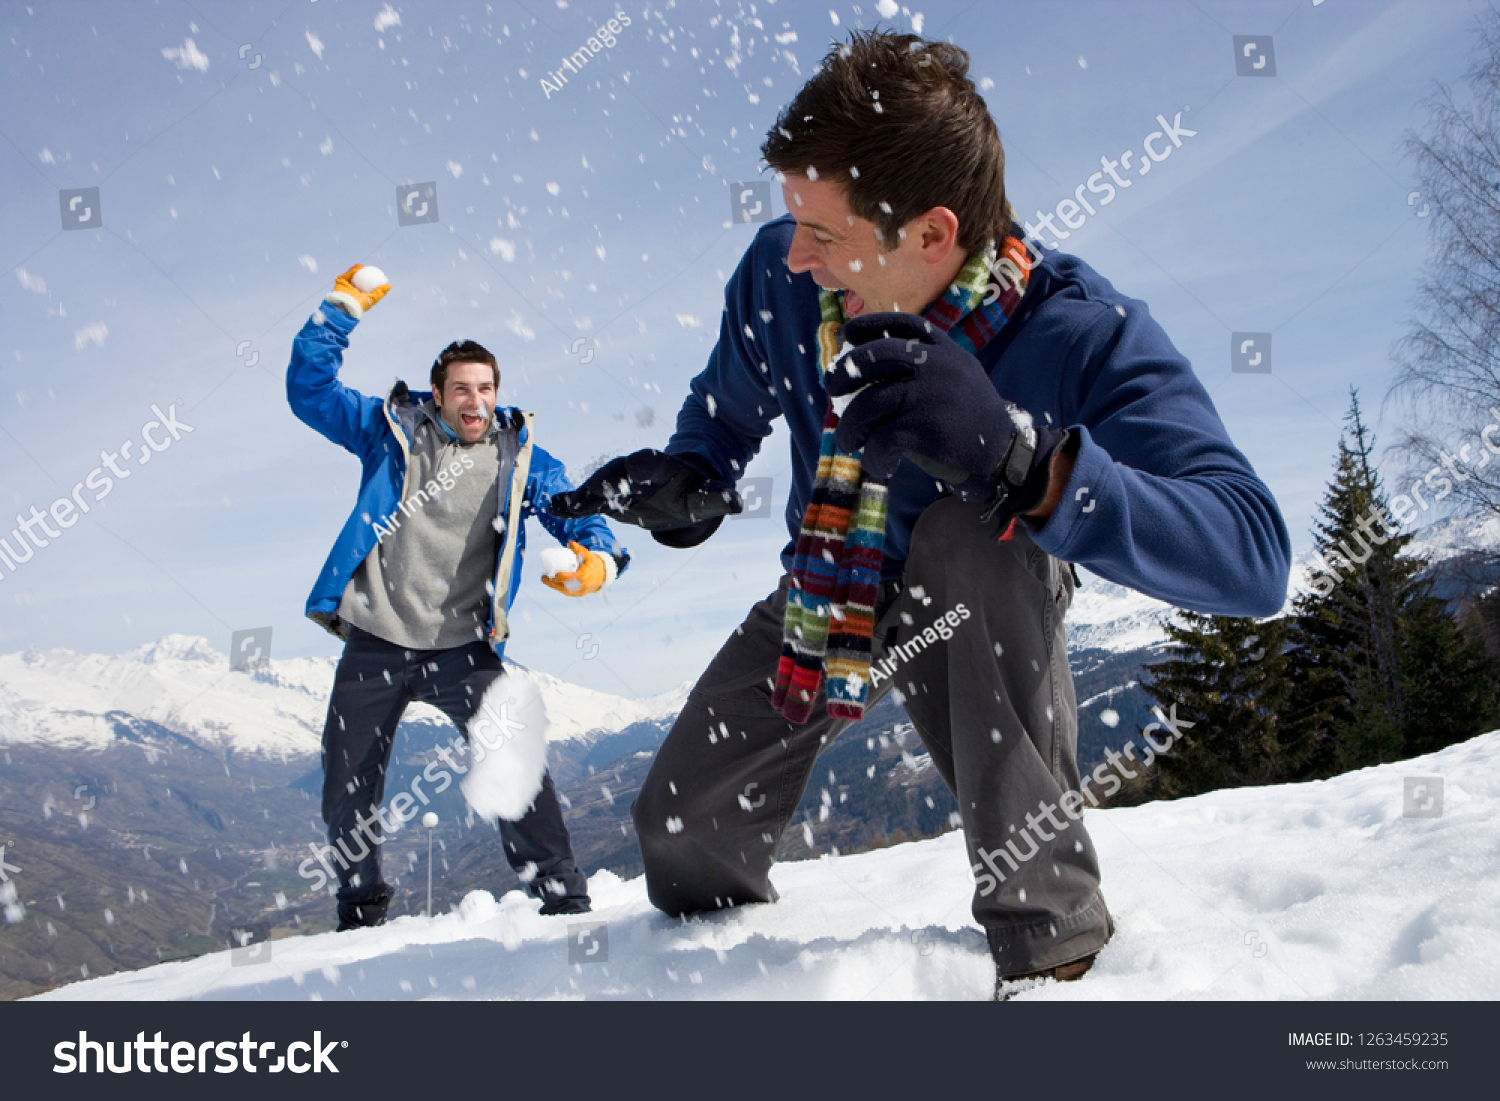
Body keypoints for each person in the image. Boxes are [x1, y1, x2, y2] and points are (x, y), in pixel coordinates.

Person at [551, 31, 1290, 997]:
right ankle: (719, 978)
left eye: (827, 234)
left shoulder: (1079, 330)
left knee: (963, 535)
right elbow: (727, 412)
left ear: (932, 234)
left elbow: (1252, 552)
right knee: (679, 831)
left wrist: (1022, 460)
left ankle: (1052, 944)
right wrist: (692, 473)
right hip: (832, 586)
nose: (798, 258)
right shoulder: (783, 276)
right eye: (794, 224)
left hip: (979, 582)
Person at [288, 264, 628, 930]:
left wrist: (598, 561)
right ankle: (360, 911)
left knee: (518, 767)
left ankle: (564, 900)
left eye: (486, 388)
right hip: (377, 637)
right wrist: (340, 310)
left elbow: (577, 510)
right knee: (345, 783)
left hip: (466, 647)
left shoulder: (518, 455)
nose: (475, 401)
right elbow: (309, 389)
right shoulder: (388, 431)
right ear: (437, 394)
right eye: (461, 389)